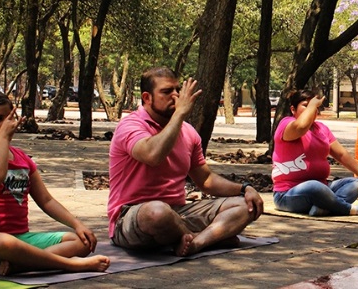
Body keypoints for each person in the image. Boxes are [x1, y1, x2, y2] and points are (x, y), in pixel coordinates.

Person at [108, 67, 263, 256]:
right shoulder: (130, 125)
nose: (176, 96)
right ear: (147, 98)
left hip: (179, 213)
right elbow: (152, 155)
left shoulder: (188, 132)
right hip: (134, 216)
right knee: (158, 213)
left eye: (177, 90)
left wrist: (244, 188)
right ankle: (207, 237)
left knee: (244, 206)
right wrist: (180, 114)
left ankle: (196, 243)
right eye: (166, 92)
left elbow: (205, 180)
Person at [0, 89, 110, 275]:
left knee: (82, 242)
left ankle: (17, 266)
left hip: (21, 239)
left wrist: (77, 225)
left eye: (9, 117)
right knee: (4, 242)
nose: (7, 124)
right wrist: (3, 138)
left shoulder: (22, 158)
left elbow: (46, 200)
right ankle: (72, 265)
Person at [272, 90, 358, 216]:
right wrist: (313, 104)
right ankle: (348, 209)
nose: (312, 109)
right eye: (306, 105)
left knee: (354, 184)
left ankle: (324, 207)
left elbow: (341, 154)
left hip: (323, 188)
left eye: (315, 107)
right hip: (288, 193)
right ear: (293, 109)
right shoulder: (286, 124)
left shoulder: (321, 128)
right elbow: (301, 127)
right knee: (314, 187)